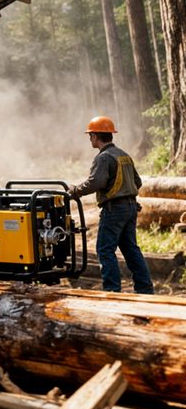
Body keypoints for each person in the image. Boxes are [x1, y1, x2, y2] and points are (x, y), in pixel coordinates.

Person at [68, 116, 153, 293]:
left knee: (105, 250)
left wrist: (75, 191)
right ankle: (145, 289)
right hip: (130, 208)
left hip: (114, 210)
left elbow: (95, 182)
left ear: (96, 136)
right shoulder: (124, 155)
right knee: (131, 249)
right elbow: (137, 182)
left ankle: (112, 291)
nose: (90, 138)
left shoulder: (104, 157)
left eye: (90, 135)